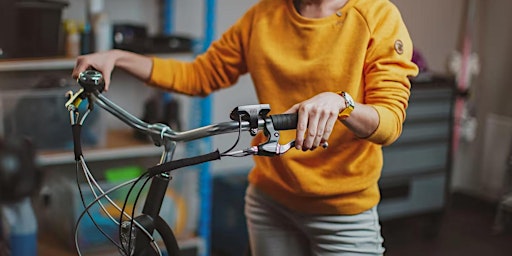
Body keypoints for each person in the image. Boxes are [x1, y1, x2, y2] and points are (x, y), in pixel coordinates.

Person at [72, 0, 418, 254]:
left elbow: (389, 122)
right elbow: (198, 75)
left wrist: (343, 103)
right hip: (271, 202)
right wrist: (117, 57)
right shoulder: (264, 16)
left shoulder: (377, 16)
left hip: (342, 211)